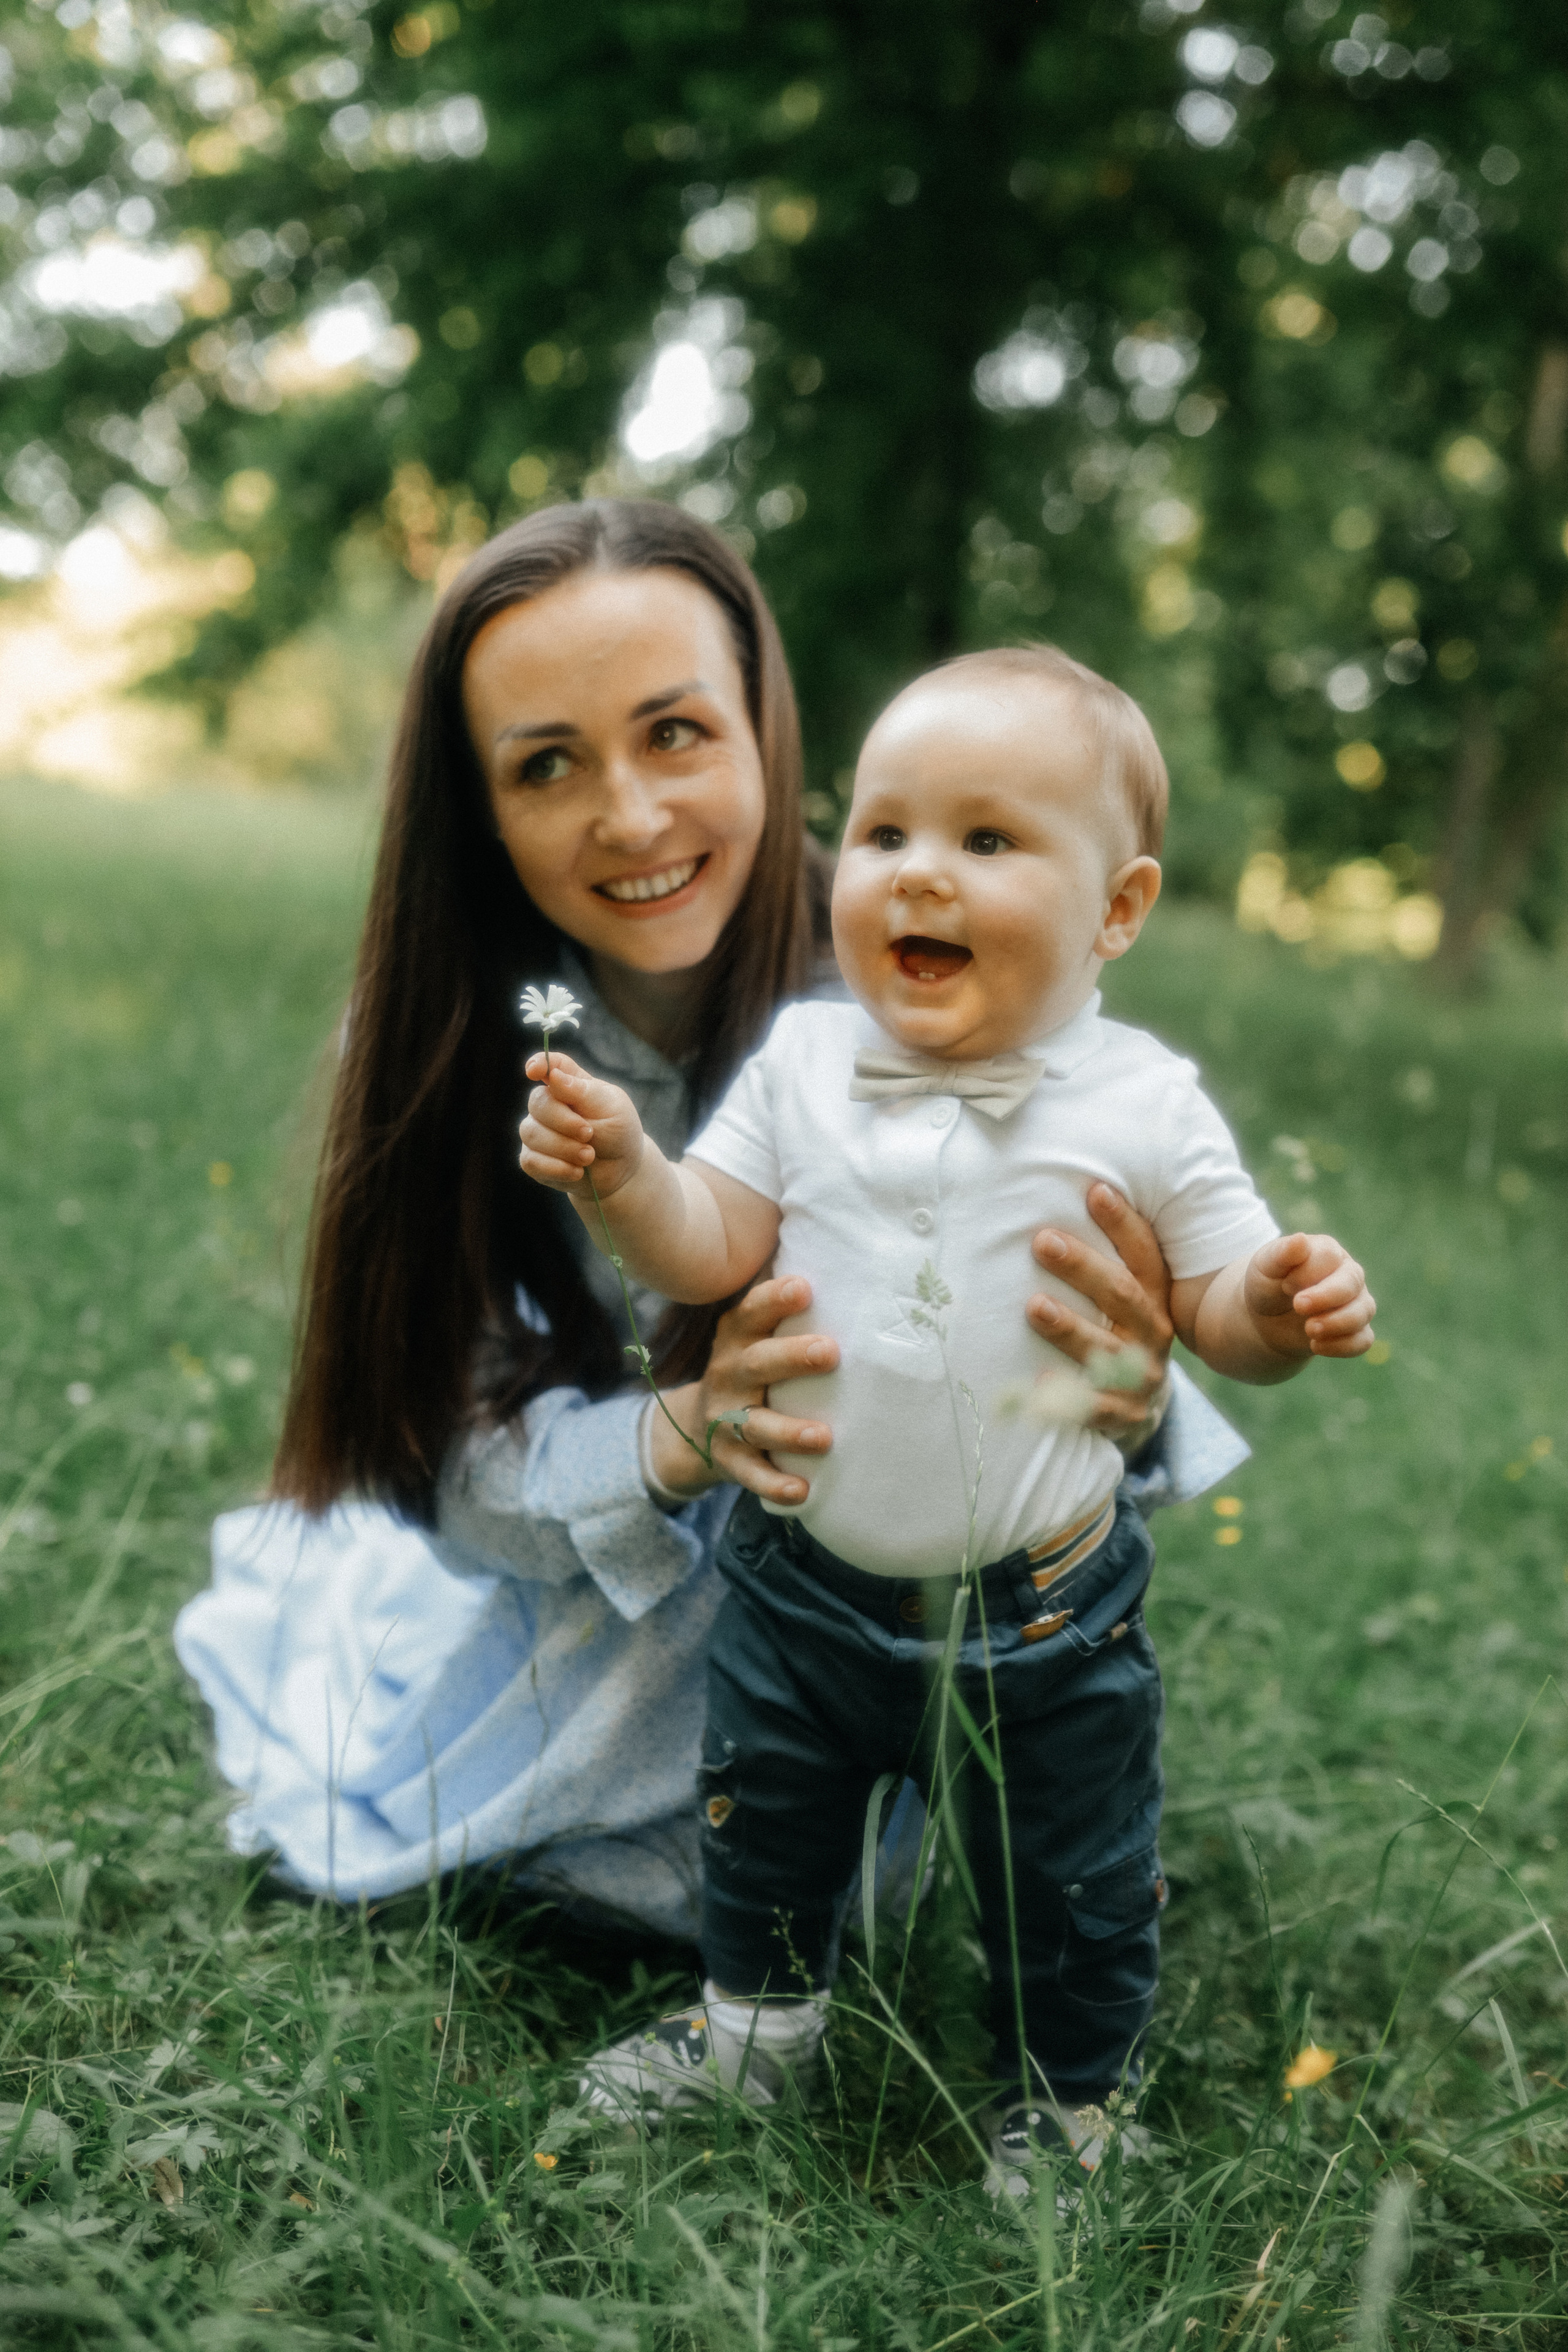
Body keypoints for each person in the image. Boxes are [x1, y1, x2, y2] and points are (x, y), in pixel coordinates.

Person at [174, 507, 1241, 1951]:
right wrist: (674, 1438)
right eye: (547, 764)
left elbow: (1115, 1396)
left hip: (901, 1574)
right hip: (620, 1571)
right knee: (590, 1844)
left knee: (882, 1864)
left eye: (675, 733)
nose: (629, 815)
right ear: (479, 809)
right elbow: (437, 1455)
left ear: (762, 732)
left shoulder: (926, 974)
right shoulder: (453, 1028)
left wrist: (1116, 1377)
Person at [519, 643, 1374, 2179]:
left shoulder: (1142, 1103)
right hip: (800, 1583)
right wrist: (629, 1177)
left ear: (1115, 911)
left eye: (986, 842)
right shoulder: (803, 1058)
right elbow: (711, 1239)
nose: (919, 875)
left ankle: (1063, 2096)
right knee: (761, 1815)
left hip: (1038, 1617)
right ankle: (755, 2033)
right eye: (886, 831)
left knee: (1066, 1867)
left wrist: (1279, 1304)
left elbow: (1211, 1306)